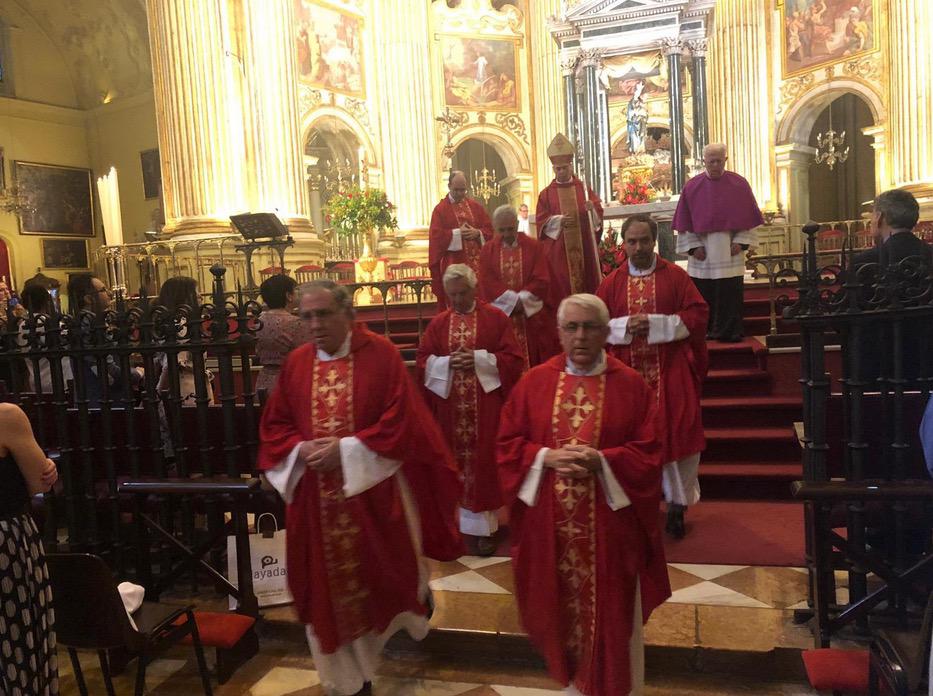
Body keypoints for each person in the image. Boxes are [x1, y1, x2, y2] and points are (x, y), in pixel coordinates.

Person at [258, 280, 463, 696]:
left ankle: (384, 642)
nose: (315, 324)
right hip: (315, 501)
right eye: (307, 316)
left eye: (323, 314)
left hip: (373, 493)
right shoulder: (297, 364)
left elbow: (400, 420)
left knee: (385, 580)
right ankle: (349, 682)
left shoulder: (381, 355)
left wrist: (347, 450)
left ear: (348, 314)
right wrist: (300, 449)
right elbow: (276, 425)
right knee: (323, 592)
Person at [497, 293, 670, 696]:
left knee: (611, 614)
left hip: (608, 531)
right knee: (558, 610)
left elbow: (649, 452)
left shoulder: (630, 385)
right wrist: (546, 456)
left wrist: (602, 461)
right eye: (571, 327)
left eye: (590, 326)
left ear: (607, 331)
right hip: (550, 528)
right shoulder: (534, 382)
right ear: (558, 333)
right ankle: (574, 684)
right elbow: (507, 443)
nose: (580, 336)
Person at [597, 214, 709, 538]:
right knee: (629, 440)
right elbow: (596, 324)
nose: (638, 247)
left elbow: (698, 315)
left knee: (678, 433)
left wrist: (659, 324)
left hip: (669, 367)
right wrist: (621, 327)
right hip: (626, 376)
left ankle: (677, 503)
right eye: (631, 241)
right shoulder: (612, 283)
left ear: (654, 240)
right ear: (623, 244)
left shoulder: (675, 276)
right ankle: (633, 503)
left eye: (644, 240)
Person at [416, 264, 523, 556]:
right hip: (452, 407)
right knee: (456, 463)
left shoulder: (495, 318)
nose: (458, 300)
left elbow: (513, 359)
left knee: (484, 464)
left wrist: (478, 360)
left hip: (485, 406)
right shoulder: (439, 323)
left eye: (463, 293)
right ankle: (464, 526)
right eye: (453, 295)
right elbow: (424, 360)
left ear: (475, 289)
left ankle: (487, 530)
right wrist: (446, 363)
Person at [673, 143, 764, 343]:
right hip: (702, 254)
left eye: (719, 161)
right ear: (704, 161)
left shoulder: (739, 185)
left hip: (729, 250)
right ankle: (705, 331)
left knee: (730, 295)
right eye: (711, 161)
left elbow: (748, 219)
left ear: (726, 160)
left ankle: (729, 331)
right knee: (704, 295)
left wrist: (741, 243)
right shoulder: (692, 187)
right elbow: (684, 223)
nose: (715, 165)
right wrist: (694, 247)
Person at [0, 402, 60, 695]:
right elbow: (41, 481)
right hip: (5, 545)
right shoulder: (6, 416)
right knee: (16, 643)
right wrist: (48, 467)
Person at [852, 189, 933, 381]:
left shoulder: (865, 261)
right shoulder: (930, 255)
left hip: (881, 364)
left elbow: (846, 316)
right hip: (928, 360)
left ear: (880, 217)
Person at [479, 205, 560, 370]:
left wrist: (521, 301)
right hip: (502, 318)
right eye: (502, 230)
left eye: (510, 229)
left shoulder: (534, 247)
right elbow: (487, 282)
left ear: (516, 224)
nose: (507, 234)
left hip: (529, 317)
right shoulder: (488, 250)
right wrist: (512, 302)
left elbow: (542, 279)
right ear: (495, 228)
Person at [535, 133, 604, 305]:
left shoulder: (583, 189)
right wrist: (558, 221)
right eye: (558, 168)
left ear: (571, 166)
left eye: (565, 167)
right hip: (560, 253)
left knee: (586, 287)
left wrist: (592, 210)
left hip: (584, 250)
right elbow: (541, 223)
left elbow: (597, 219)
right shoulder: (546, 194)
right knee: (562, 288)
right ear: (553, 169)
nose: (562, 171)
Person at [66, 273, 139, 407]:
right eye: (103, 290)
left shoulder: (91, 321)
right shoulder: (87, 324)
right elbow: (107, 372)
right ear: (88, 298)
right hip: (100, 403)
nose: (110, 293)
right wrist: (137, 373)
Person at [428, 170, 494, 310]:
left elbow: (489, 230)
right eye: (456, 190)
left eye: (463, 190)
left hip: (477, 267)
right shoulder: (440, 210)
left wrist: (478, 233)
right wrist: (458, 234)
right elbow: (436, 237)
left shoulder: (476, 207)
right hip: (453, 266)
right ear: (449, 186)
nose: (460, 193)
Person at [19, 284, 73, 394]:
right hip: (59, 379)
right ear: (46, 301)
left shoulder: (22, 324)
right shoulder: (50, 323)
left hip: (36, 380)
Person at [255, 274, 303, 395]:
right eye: (296, 289)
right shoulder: (295, 322)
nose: (299, 293)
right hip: (289, 379)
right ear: (288, 296)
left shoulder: (260, 320)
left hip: (265, 378)